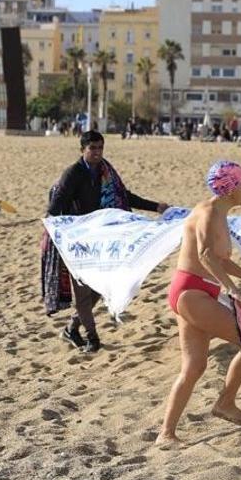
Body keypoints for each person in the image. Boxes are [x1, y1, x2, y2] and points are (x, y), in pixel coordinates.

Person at [157, 161, 241, 448]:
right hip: (191, 293)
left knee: (194, 366)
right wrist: (233, 290)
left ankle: (166, 435)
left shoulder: (219, 212)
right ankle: (225, 403)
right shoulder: (208, 212)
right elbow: (206, 255)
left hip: (194, 292)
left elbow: (220, 260)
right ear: (231, 188)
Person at [43, 131, 168, 353]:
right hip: (77, 242)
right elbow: (55, 208)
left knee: (100, 287)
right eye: (92, 148)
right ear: (82, 149)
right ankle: (92, 338)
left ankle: (72, 327)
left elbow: (124, 196)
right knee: (82, 291)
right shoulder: (73, 173)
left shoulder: (105, 172)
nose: (97, 152)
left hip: (100, 240)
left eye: (100, 147)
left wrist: (155, 206)